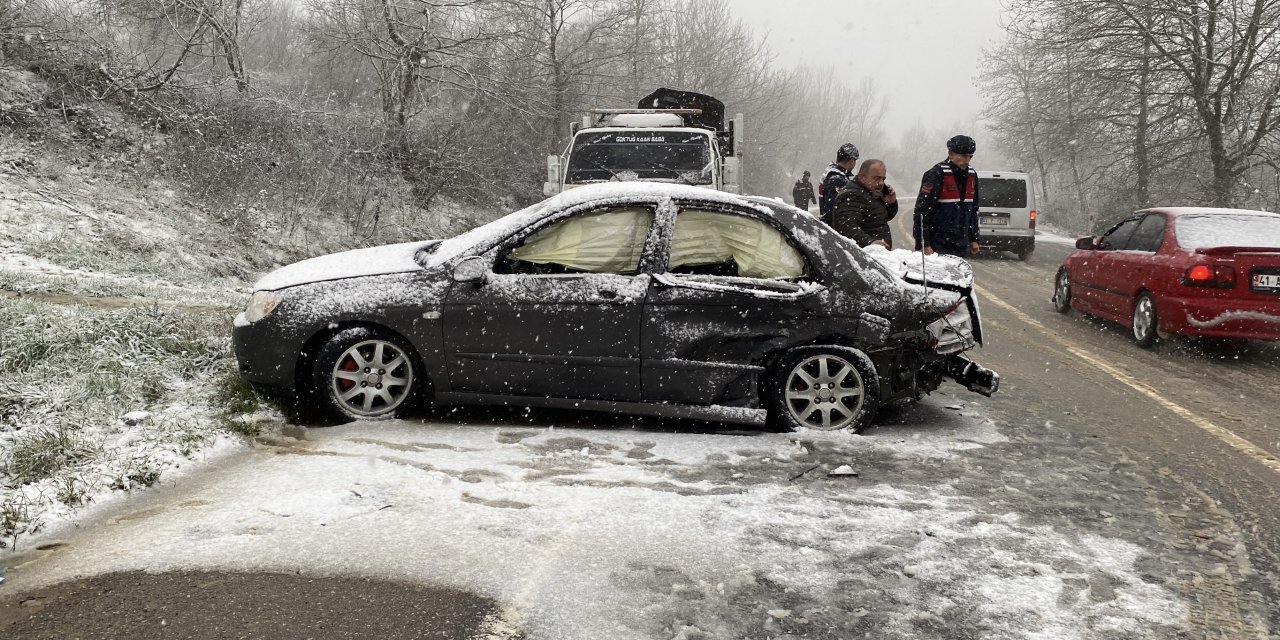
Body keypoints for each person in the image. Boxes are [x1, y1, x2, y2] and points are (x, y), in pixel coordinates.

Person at [913, 134, 980, 257]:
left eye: (970, 156)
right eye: (964, 156)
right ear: (950, 153)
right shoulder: (936, 174)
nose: (967, 160)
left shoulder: (972, 176)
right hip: (937, 244)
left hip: (960, 244)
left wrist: (973, 239)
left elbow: (973, 210)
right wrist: (924, 244)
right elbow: (921, 212)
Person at [829, 159, 897, 248]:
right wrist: (869, 242)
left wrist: (891, 203)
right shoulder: (852, 194)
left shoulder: (871, 192)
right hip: (863, 256)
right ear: (862, 177)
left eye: (883, 179)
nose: (881, 183)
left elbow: (881, 218)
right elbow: (845, 226)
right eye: (876, 178)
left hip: (875, 255)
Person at [818, 143, 859, 224]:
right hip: (835, 230)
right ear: (851, 161)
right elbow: (835, 211)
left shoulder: (833, 174)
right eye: (855, 161)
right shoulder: (837, 179)